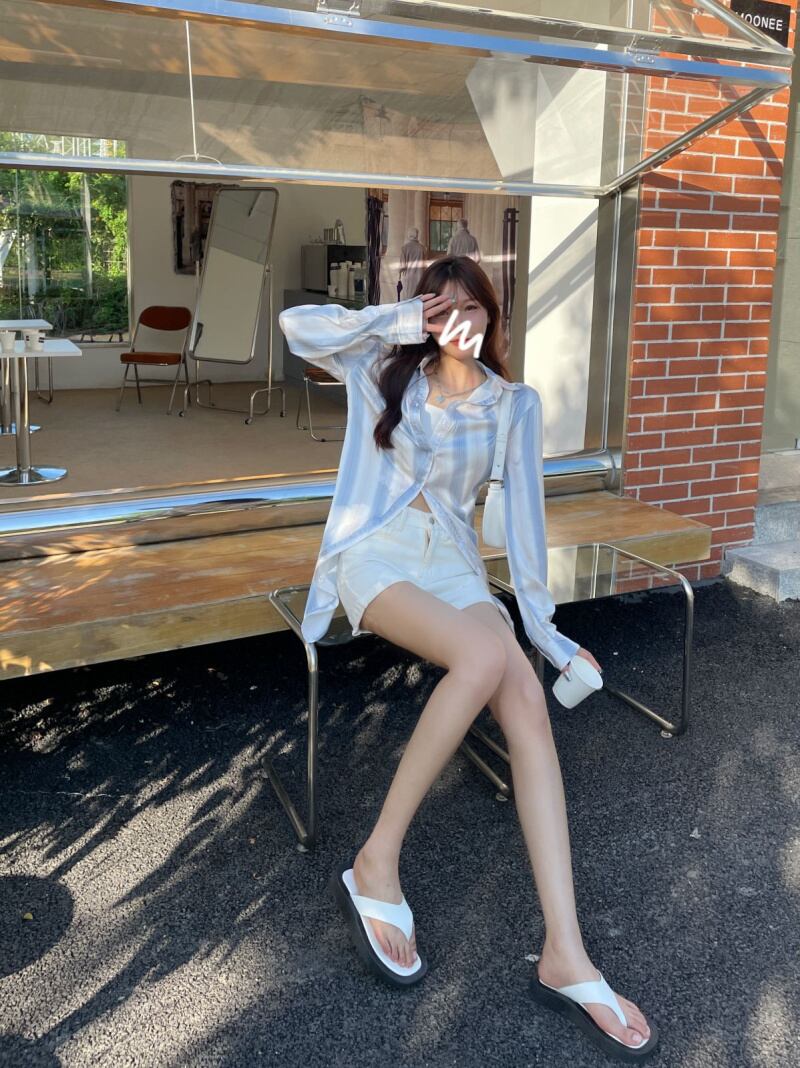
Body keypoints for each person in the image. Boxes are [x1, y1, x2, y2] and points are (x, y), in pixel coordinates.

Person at [278, 256, 657, 1062]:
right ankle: (376, 861)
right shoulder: (385, 368)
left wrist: (549, 637)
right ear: (423, 314)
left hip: (451, 565)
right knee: (485, 659)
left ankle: (566, 953)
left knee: (523, 693)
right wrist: (394, 319)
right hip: (375, 554)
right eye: (439, 306)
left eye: (471, 306)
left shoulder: (515, 405)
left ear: (492, 315)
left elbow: (523, 529)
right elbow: (296, 329)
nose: (457, 320)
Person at [398, 226, 426, 300]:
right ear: (417, 235)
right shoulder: (422, 248)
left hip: (408, 277)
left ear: (409, 235)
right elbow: (424, 264)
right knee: (418, 297)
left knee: (408, 298)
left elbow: (402, 266)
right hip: (420, 276)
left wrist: (399, 273)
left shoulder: (405, 248)